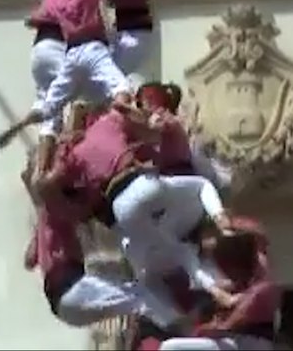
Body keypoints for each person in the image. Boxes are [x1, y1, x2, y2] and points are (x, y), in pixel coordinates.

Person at [37, 107, 235, 304]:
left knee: (178, 253)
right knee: (201, 186)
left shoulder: (73, 157)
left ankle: (211, 293)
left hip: (122, 213)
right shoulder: (109, 122)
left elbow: (46, 185)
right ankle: (224, 225)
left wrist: (62, 147)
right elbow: (151, 133)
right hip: (143, 185)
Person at [21, 134, 185, 332]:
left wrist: (39, 234)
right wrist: (56, 144)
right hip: (73, 290)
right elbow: (48, 184)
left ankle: (172, 325)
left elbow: (29, 261)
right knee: (141, 297)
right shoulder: (51, 201)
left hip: (64, 309)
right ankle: (186, 327)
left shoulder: (44, 217)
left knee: (139, 295)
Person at [0, 0, 136, 169]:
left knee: (50, 106)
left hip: (71, 55)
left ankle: (21, 124)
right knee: (121, 87)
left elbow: (33, 19)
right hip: (93, 50)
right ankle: (124, 114)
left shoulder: (56, 1)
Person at [160, 220, 281, 351]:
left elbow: (232, 321)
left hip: (251, 343)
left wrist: (211, 327)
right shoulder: (245, 277)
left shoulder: (262, 275)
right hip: (240, 339)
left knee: (171, 348)